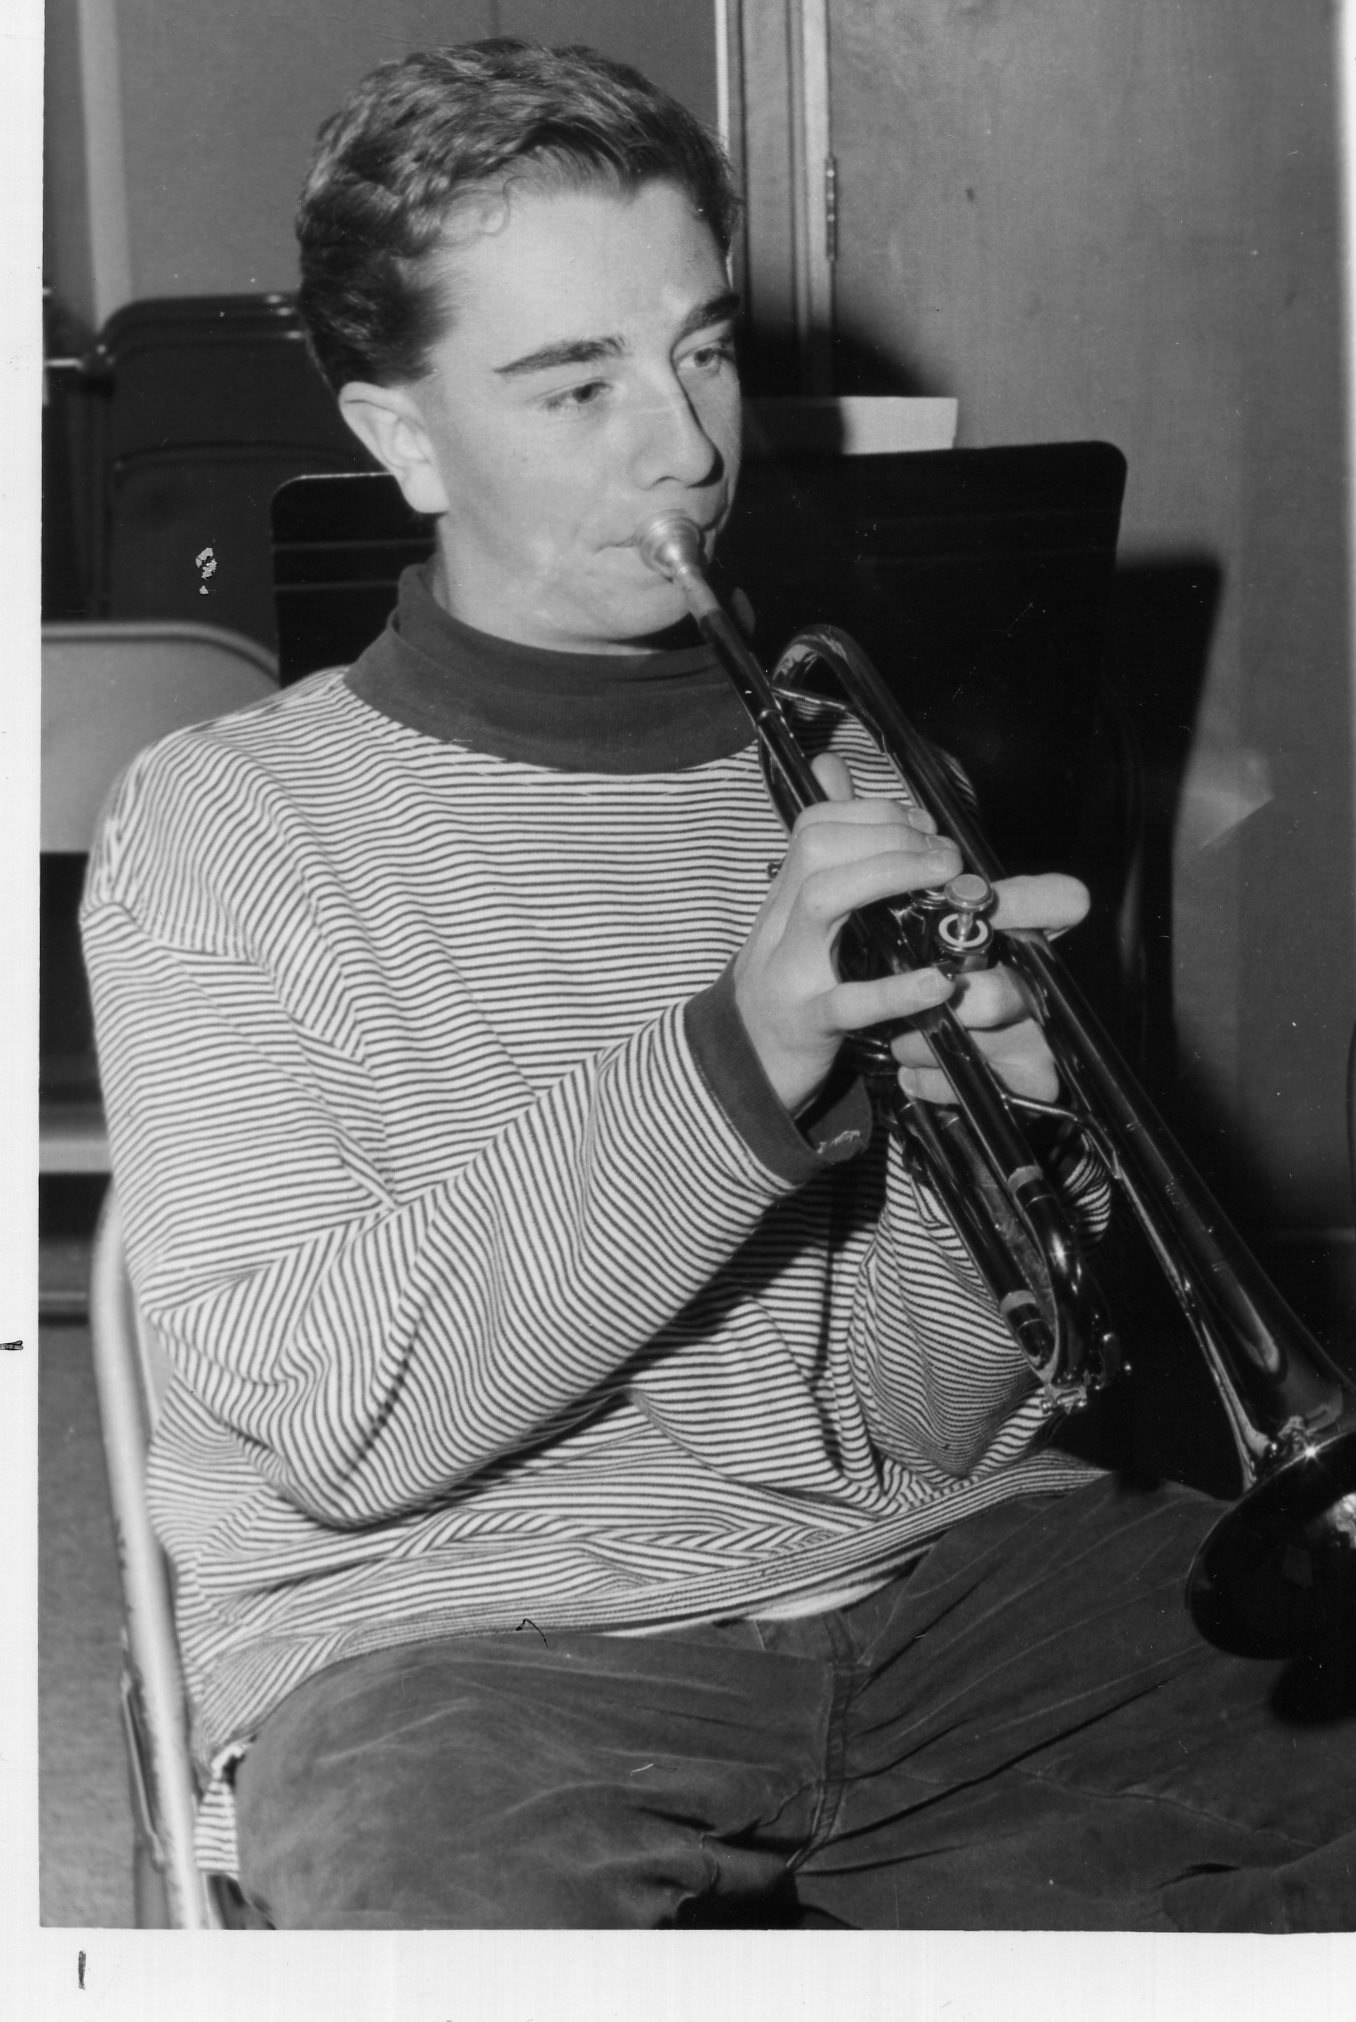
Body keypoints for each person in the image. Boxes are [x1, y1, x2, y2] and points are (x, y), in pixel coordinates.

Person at [82, 39, 1356, 1930]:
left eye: (701, 348)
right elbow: (336, 1424)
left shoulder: (853, 781)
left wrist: (991, 1125)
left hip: (935, 1582)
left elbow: (919, 1431)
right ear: (401, 437)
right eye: (574, 383)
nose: (683, 445)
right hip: (454, 1652)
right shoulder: (229, 824)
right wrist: (737, 1059)